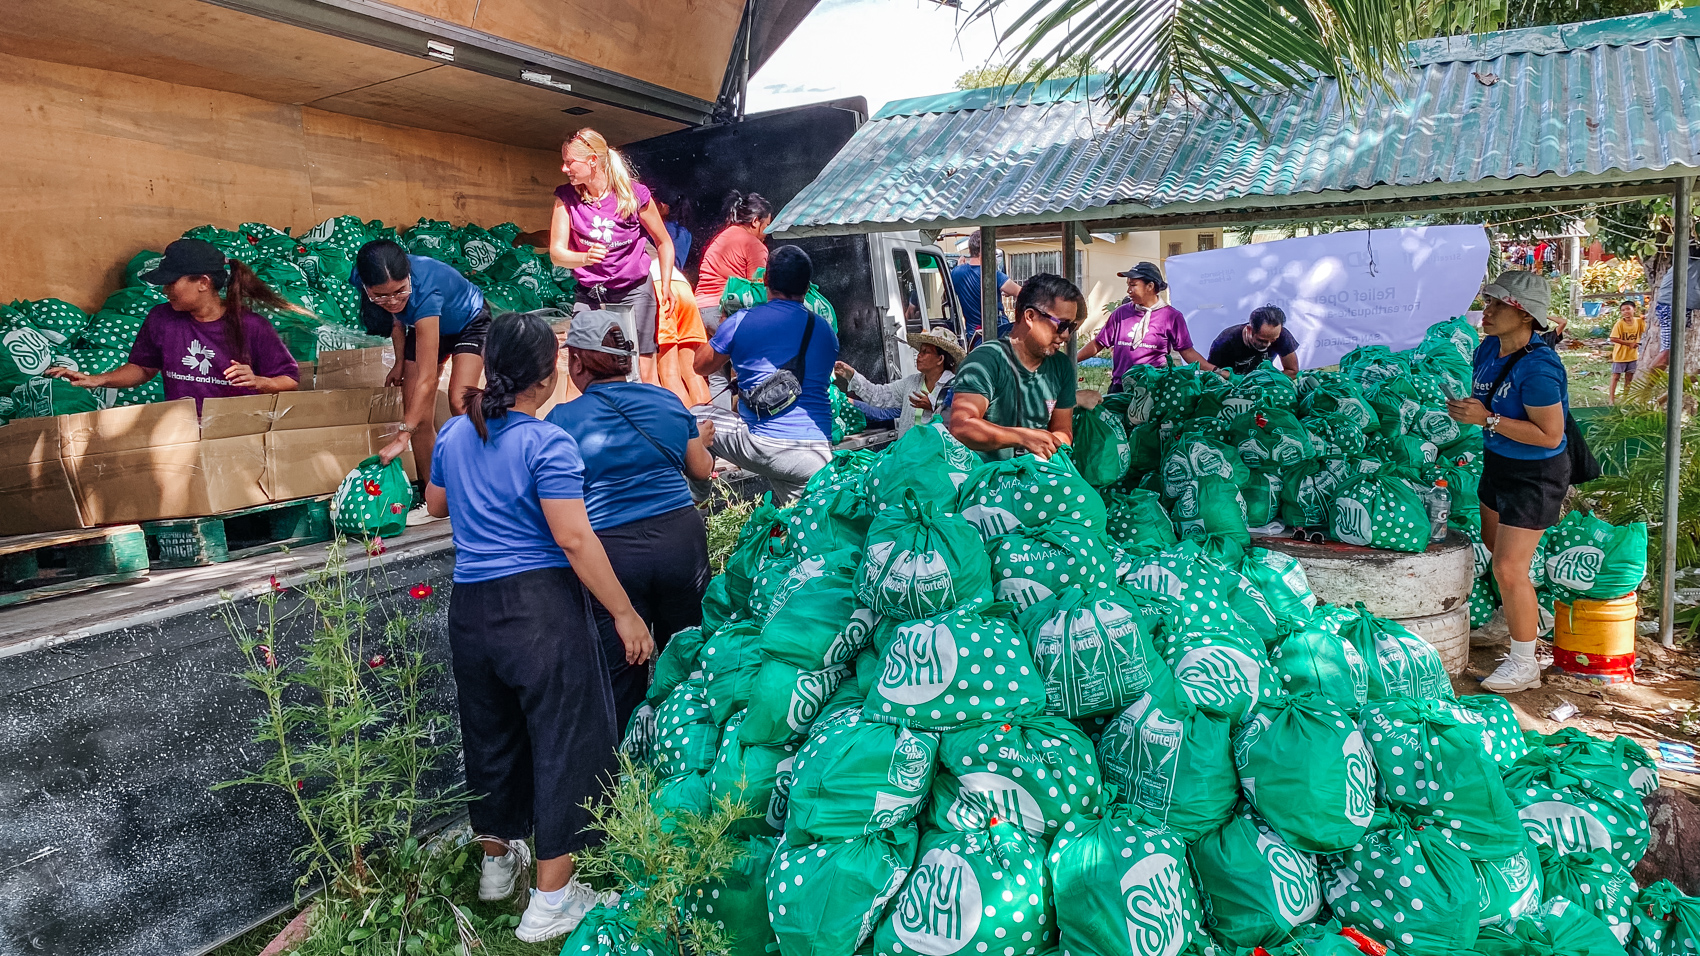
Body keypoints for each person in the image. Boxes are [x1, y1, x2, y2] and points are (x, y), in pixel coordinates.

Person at [424, 311, 651, 942]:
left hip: (471, 608)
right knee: (569, 742)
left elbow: (437, 504)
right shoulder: (546, 443)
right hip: (539, 610)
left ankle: (498, 868)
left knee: (492, 733)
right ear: (550, 371)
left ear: (492, 367)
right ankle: (550, 903)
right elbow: (574, 539)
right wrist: (625, 614)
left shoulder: (453, 434)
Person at [546, 309, 713, 734]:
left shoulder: (561, 421)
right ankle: (691, 756)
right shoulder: (667, 400)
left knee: (624, 673)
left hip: (613, 554)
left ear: (578, 363)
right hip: (681, 540)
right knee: (689, 657)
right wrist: (702, 440)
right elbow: (700, 469)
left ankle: (630, 777)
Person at [1445, 270, 1570, 695]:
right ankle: (1518, 616)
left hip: (1534, 474)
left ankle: (1524, 663)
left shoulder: (1538, 367)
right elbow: (1488, 404)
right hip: (1499, 462)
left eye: (1499, 305)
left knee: (1507, 566)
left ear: (1524, 315)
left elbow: (1550, 435)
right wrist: (1472, 411)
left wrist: (1489, 419)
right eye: (1489, 301)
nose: (1488, 311)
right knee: (1496, 545)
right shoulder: (1487, 350)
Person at [45, 238, 299, 410]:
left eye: (172, 282)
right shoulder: (161, 318)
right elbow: (143, 369)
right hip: (183, 433)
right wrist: (96, 380)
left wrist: (259, 382)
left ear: (203, 282)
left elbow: (290, 380)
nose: (166, 290)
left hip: (238, 436)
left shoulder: (251, 326)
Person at [693, 245, 839, 503]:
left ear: (765, 281)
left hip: (767, 444)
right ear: (807, 287)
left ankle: (698, 502)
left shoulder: (741, 321)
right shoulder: (825, 330)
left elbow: (700, 365)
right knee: (803, 524)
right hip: (818, 453)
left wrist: (724, 328)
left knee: (693, 416)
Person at [352, 240, 489, 489]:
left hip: (469, 322)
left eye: (399, 291)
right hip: (421, 323)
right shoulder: (363, 276)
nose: (393, 301)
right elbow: (395, 319)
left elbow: (428, 378)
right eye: (381, 295)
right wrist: (399, 362)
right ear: (366, 286)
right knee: (418, 418)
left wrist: (402, 436)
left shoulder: (425, 291)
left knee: (460, 402)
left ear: (408, 277)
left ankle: (488, 478)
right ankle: (434, 497)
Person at [550, 128, 676, 386]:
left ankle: (649, 421)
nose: (565, 168)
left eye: (570, 162)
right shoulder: (566, 198)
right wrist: (584, 258)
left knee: (639, 365)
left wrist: (665, 285)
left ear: (592, 161)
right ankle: (577, 424)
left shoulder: (633, 194)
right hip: (590, 293)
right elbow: (556, 254)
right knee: (580, 362)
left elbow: (664, 242)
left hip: (632, 291)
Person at [948, 273, 1083, 460]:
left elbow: (1062, 430)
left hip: (1036, 476)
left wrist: (1049, 446)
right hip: (985, 480)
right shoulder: (985, 361)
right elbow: (962, 427)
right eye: (1062, 325)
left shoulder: (1061, 366)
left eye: (1072, 327)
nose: (1067, 335)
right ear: (1030, 316)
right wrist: (1022, 437)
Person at [1077, 261, 1213, 388]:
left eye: (1133, 285)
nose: (1128, 290)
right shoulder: (1121, 313)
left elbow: (1187, 352)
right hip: (1120, 387)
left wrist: (1216, 371)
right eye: (1128, 285)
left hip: (1153, 388)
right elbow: (1098, 343)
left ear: (1150, 286)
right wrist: (1070, 360)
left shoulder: (1171, 317)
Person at [833, 326, 964, 438]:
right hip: (907, 456)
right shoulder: (911, 383)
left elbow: (960, 424)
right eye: (920, 351)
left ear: (940, 359)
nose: (919, 355)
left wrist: (934, 407)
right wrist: (851, 375)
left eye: (925, 352)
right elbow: (878, 396)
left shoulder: (955, 386)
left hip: (936, 460)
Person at [695, 191, 774, 334]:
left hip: (698, 310)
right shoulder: (755, 245)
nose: (767, 232)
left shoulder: (724, 235)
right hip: (721, 312)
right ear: (755, 221)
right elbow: (757, 292)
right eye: (767, 225)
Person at [650, 249, 712, 407]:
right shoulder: (648, 241)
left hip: (660, 289)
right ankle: (710, 426)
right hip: (682, 286)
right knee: (692, 373)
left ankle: (688, 429)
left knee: (669, 373)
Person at [949, 231, 1023, 346]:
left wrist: (959, 266)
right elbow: (1022, 293)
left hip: (974, 338)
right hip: (998, 333)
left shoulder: (956, 273)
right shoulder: (993, 275)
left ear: (970, 250)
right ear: (985, 251)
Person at [1205, 304, 1300, 377]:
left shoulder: (1282, 335)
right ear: (1249, 330)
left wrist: (1269, 379)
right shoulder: (1225, 341)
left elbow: (1292, 371)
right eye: (1262, 340)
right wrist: (1230, 377)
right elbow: (1211, 372)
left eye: (1273, 340)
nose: (1268, 344)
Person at [1649, 253, 1700, 370]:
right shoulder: (1692, 255)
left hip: (1682, 305)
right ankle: (1644, 388)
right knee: (1668, 353)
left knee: (1672, 351)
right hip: (1672, 305)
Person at [1608, 300, 1645, 403]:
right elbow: (1613, 338)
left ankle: (1625, 398)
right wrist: (1629, 344)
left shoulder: (1639, 322)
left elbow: (1645, 330)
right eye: (1623, 310)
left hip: (1632, 356)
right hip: (1620, 355)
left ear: (1634, 309)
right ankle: (1611, 399)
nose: (1626, 312)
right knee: (1616, 376)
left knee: (1629, 377)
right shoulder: (1620, 324)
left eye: (1628, 309)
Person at [656, 190, 693, 270]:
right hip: (676, 277)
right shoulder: (687, 234)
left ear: (664, 207)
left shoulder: (662, 229)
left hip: (659, 273)